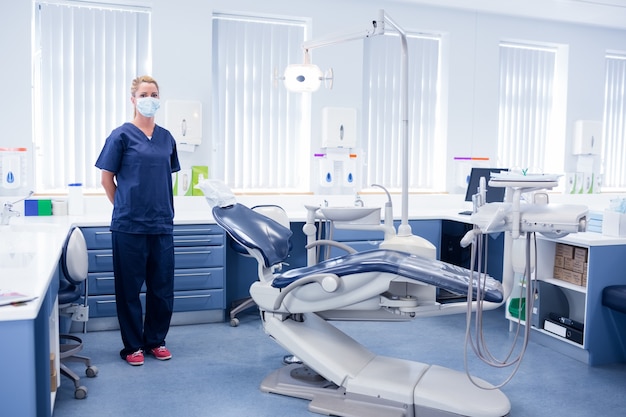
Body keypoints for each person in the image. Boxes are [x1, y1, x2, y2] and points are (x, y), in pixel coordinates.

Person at [95, 75, 181, 366]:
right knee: (129, 289)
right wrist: (124, 205)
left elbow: (162, 178)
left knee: (162, 288)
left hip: (160, 224)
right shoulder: (121, 135)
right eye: (144, 94)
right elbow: (107, 179)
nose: (149, 98)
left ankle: (156, 340)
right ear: (133, 99)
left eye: (154, 93)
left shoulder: (167, 137)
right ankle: (132, 346)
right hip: (128, 225)